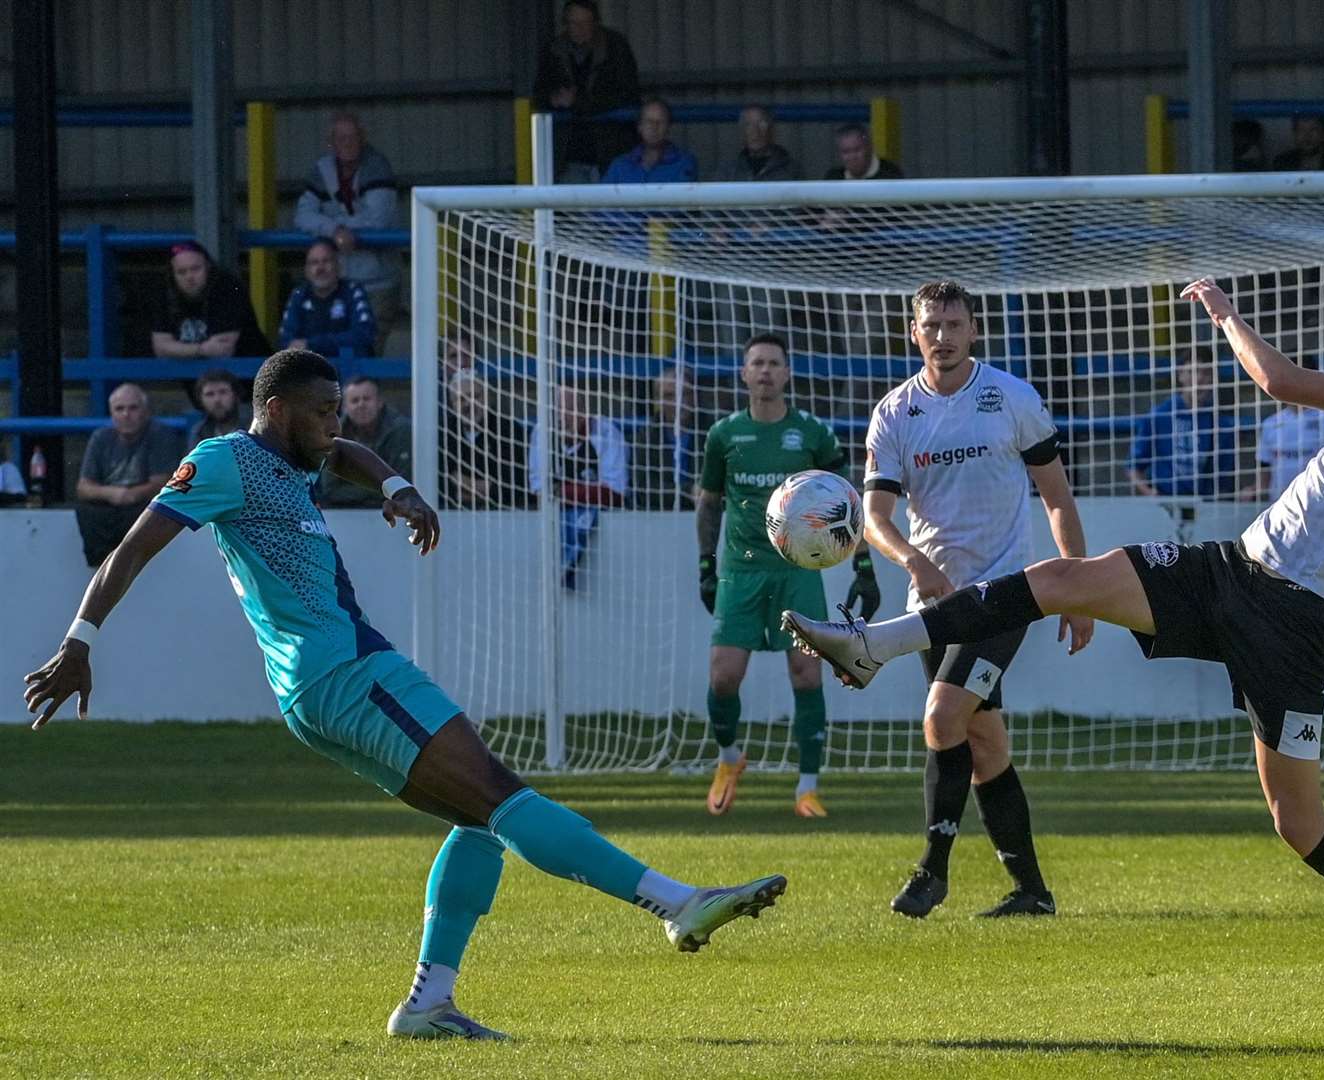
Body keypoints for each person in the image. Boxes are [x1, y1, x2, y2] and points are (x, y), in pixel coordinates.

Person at [787, 283, 1324, 1030]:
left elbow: (1280, 383)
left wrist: (1223, 314)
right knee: (1057, 577)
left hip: (1291, 621)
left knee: (1298, 823)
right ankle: (875, 647)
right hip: (1231, 570)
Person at [24, 348, 785, 1042]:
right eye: (322, 410)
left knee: (480, 819)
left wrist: (397, 487)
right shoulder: (224, 460)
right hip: (344, 672)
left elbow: (351, 453)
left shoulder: (298, 454)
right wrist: (78, 643)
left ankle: (428, 1004)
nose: (336, 424)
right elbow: (132, 548)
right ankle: (675, 902)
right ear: (279, 410)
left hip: (326, 685)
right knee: (500, 793)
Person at [856, 281, 1089, 919]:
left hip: (1006, 592)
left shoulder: (1011, 398)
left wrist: (1077, 587)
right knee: (983, 745)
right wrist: (914, 563)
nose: (943, 336)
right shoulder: (895, 413)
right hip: (935, 602)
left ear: (974, 330)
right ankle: (1033, 892)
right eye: (931, 325)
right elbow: (873, 517)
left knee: (941, 718)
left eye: (954, 324)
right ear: (914, 332)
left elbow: (1057, 498)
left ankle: (931, 873)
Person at [696, 334, 878, 819]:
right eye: (756, 362)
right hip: (740, 572)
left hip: (796, 574)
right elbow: (709, 501)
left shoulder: (812, 433)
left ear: (787, 373)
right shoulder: (724, 435)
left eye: (774, 363)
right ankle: (730, 759)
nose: (765, 371)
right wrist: (706, 566)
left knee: (805, 673)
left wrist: (864, 566)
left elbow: (847, 501)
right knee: (723, 678)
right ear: (743, 373)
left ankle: (807, 787)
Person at [292, 113, 403, 328]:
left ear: (363, 138)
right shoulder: (321, 170)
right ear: (330, 143)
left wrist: (332, 224)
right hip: (335, 284)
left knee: (370, 352)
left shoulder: (377, 166)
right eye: (341, 138)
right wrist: (334, 229)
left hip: (377, 281)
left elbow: (378, 220)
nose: (347, 143)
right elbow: (302, 215)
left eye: (353, 137)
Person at [527, 382, 630, 589]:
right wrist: (583, 492)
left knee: (583, 514)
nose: (563, 416)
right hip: (556, 517)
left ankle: (568, 564)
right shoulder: (541, 433)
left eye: (571, 408)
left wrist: (563, 491)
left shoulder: (606, 432)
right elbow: (541, 493)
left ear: (584, 410)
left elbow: (616, 494)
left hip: (604, 521)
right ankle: (565, 566)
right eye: (558, 409)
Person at [74, 383, 184, 567]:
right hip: (111, 502)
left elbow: (164, 481)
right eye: (120, 409)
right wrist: (115, 494)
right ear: (112, 414)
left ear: (146, 411)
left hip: (143, 503)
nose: (126, 414)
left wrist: (131, 495)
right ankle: (100, 565)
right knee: (87, 511)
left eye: (133, 408)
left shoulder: (159, 434)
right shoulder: (100, 437)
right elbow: (83, 487)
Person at [533, 0, 641, 181]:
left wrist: (578, 103)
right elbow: (539, 94)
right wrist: (553, 99)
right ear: (565, 24)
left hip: (612, 151)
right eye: (573, 23)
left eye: (585, 22)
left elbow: (628, 94)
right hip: (569, 154)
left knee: (612, 206)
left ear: (596, 23)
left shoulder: (616, 48)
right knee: (571, 207)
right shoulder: (553, 50)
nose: (579, 28)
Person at [1125, 356, 1236, 498]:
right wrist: (1151, 494)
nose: (1199, 379)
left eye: (1207, 373)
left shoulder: (1221, 425)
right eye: (1192, 372)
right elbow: (1133, 466)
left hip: (1205, 506)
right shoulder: (1159, 416)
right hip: (1164, 503)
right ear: (1180, 375)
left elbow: (1224, 479)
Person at [149, 241, 271, 360]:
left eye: (195, 269)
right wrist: (201, 349)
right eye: (182, 272)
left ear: (208, 267)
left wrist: (177, 349)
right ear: (172, 274)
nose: (189, 277)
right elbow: (160, 349)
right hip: (179, 375)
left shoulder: (228, 287)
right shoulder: (164, 291)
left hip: (243, 371)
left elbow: (222, 350)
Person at [317, 377, 413, 509]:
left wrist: (353, 490)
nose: (361, 405)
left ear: (380, 402)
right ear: (345, 407)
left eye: (367, 399)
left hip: (393, 509)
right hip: (344, 512)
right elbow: (330, 490)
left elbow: (403, 483)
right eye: (354, 400)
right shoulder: (332, 433)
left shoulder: (401, 430)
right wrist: (383, 490)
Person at [439, 371, 528, 510]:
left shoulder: (509, 431)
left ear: (488, 398)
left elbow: (514, 489)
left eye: (475, 396)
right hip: (452, 516)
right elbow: (443, 488)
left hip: (505, 517)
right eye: (461, 399)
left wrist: (462, 482)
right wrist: (486, 488)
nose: (468, 404)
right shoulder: (444, 433)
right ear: (452, 405)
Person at [278, 239, 379, 358]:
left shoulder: (353, 291)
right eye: (314, 263)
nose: (320, 268)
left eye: (326, 261)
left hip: (350, 370)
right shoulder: (299, 294)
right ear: (306, 270)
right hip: (310, 369)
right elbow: (286, 339)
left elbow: (365, 333)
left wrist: (312, 344)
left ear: (338, 266)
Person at [631, 364, 697, 509]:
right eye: (669, 395)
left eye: (684, 393)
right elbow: (643, 487)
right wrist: (689, 492)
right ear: (657, 401)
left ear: (694, 395)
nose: (678, 402)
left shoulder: (714, 430)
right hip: (660, 516)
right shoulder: (646, 436)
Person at [1253, 402, 1324, 501]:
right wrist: (1254, 490)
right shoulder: (1270, 423)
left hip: (1320, 501)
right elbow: (1265, 465)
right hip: (1279, 502)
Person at [600, 96, 698, 184]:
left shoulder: (684, 163)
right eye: (648, 122)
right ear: (639, 127)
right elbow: (602, 200)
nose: (654, 127)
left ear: (668, 127)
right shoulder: (619, 166)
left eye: (660, 122)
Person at [720, 105, 799, 182]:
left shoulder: (790, 170)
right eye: (748, 125)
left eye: (762, 124)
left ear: (772, 129)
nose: (755, 131)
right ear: (742, 131)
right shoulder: (729, 171)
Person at [187, 368, 252, 448]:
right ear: (200, 400)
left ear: (236, 395)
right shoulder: (200, 432)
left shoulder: (253, 426)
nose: (217, 400)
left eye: (223, 392)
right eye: (210, 394)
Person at [823, 123, 904, 180]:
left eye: (857, 150)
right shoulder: (833, 178)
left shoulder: (891, 176)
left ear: (869, 147)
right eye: (846, 152)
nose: (852, 157)